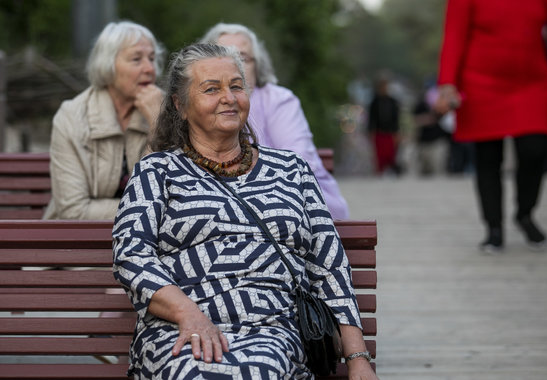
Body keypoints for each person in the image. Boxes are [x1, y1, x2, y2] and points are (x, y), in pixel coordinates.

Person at [112, 43, 377, 379]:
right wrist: (187, 314)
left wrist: (357, 358)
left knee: (260, 369)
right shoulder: (156, 172)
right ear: (180, 105)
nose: (229, 97)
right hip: (179, 331)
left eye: (236, 86)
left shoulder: (291, 170)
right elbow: (131, 257)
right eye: (212, 89)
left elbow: (329, 266)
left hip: (274, 330)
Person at [435, 0, 547, 252]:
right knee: (488, 157)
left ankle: (525, 213)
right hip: (480, 83)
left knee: (535, 149)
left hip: (532, 83)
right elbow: (454, 35)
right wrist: (448, 84)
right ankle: (493, 228)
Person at [200, 23, 349, 220]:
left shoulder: (279, 100)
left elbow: (297, 166)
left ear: (258, 65)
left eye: (242, 58)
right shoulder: (197, 105)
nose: (234, 65)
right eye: (224, 56)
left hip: (297, 201)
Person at [44, 21, 164, 219]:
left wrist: (158, 123)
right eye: (136, 59)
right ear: (107, 65)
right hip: (74, 240)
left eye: (152, 59)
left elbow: (175, 193)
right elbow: (74, 211)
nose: (150, 68)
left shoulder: (167, 110)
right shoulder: (72, 116)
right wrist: (143, 209)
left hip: (148, 240)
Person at [367, 75, 402, 175]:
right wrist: (371, 131)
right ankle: (380, 172)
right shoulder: (374, 102)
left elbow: (396, 119)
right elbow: (372, 118)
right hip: (379, 132)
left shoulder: (392, 101)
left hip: (390, 132)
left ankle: (392, 171)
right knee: (380, 155)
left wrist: (397, 132)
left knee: (390, 154)